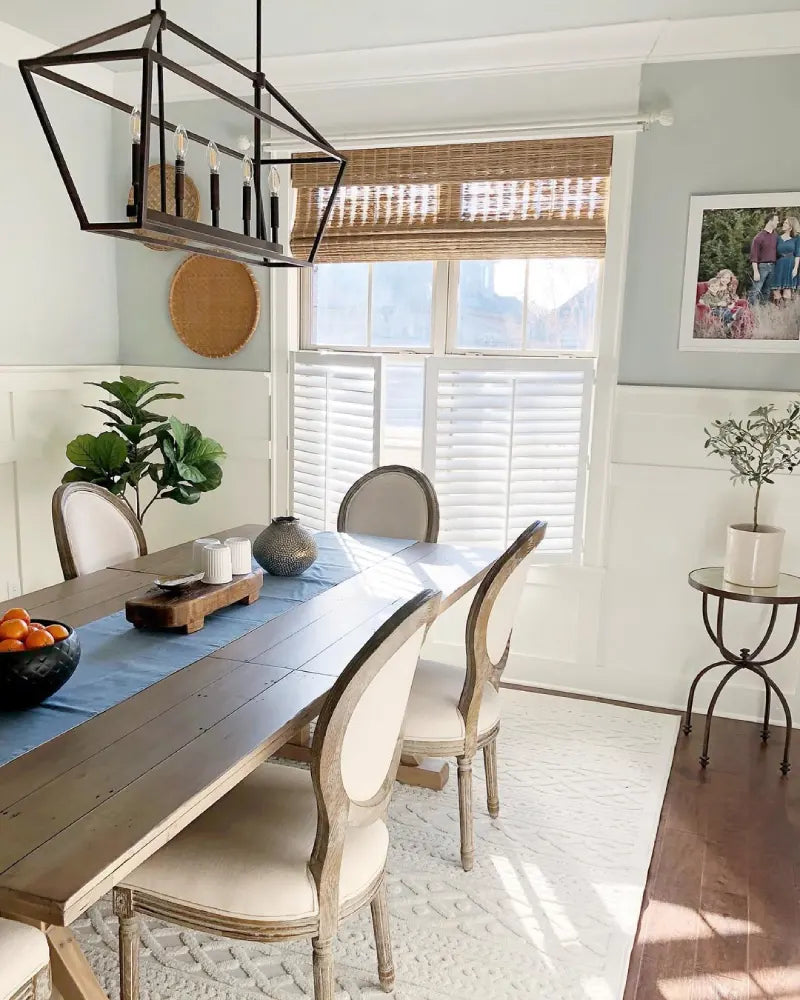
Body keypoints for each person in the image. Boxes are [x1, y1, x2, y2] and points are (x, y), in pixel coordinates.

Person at [700, 269, 744, 334]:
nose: (725, 280)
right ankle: (732, 317)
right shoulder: (715, 286)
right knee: (722, 311)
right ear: (719, 278)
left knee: (727, 309)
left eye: (727, 278)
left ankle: (728, 324)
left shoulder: (729, 287)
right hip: (717, 306)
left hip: (725, 305)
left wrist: (732, 303)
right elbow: (707, 298)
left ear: (730, 279)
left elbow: (733, 296)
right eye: (723, 277)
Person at [749, 212, 779, 303]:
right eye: (776, 220)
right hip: (762, 266)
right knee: (756, 290)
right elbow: (754, 256)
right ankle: (750, 311)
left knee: (767, 291)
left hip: (773, 266)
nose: (778, 222)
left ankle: (763, 310)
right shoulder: (759, 237)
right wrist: (756, 271)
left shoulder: (776, 236)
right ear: (770, 221)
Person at [771, 217, 800, 301]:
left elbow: (798, 254)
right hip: (779, 264)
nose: (783, 224)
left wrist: (795, 268)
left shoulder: (797, 239)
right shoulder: (778, 238)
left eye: (786, 223)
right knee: (776, 290)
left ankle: (786, 311)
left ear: (791, 227)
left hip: (790, 264)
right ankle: (778, 310)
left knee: (787, 290)